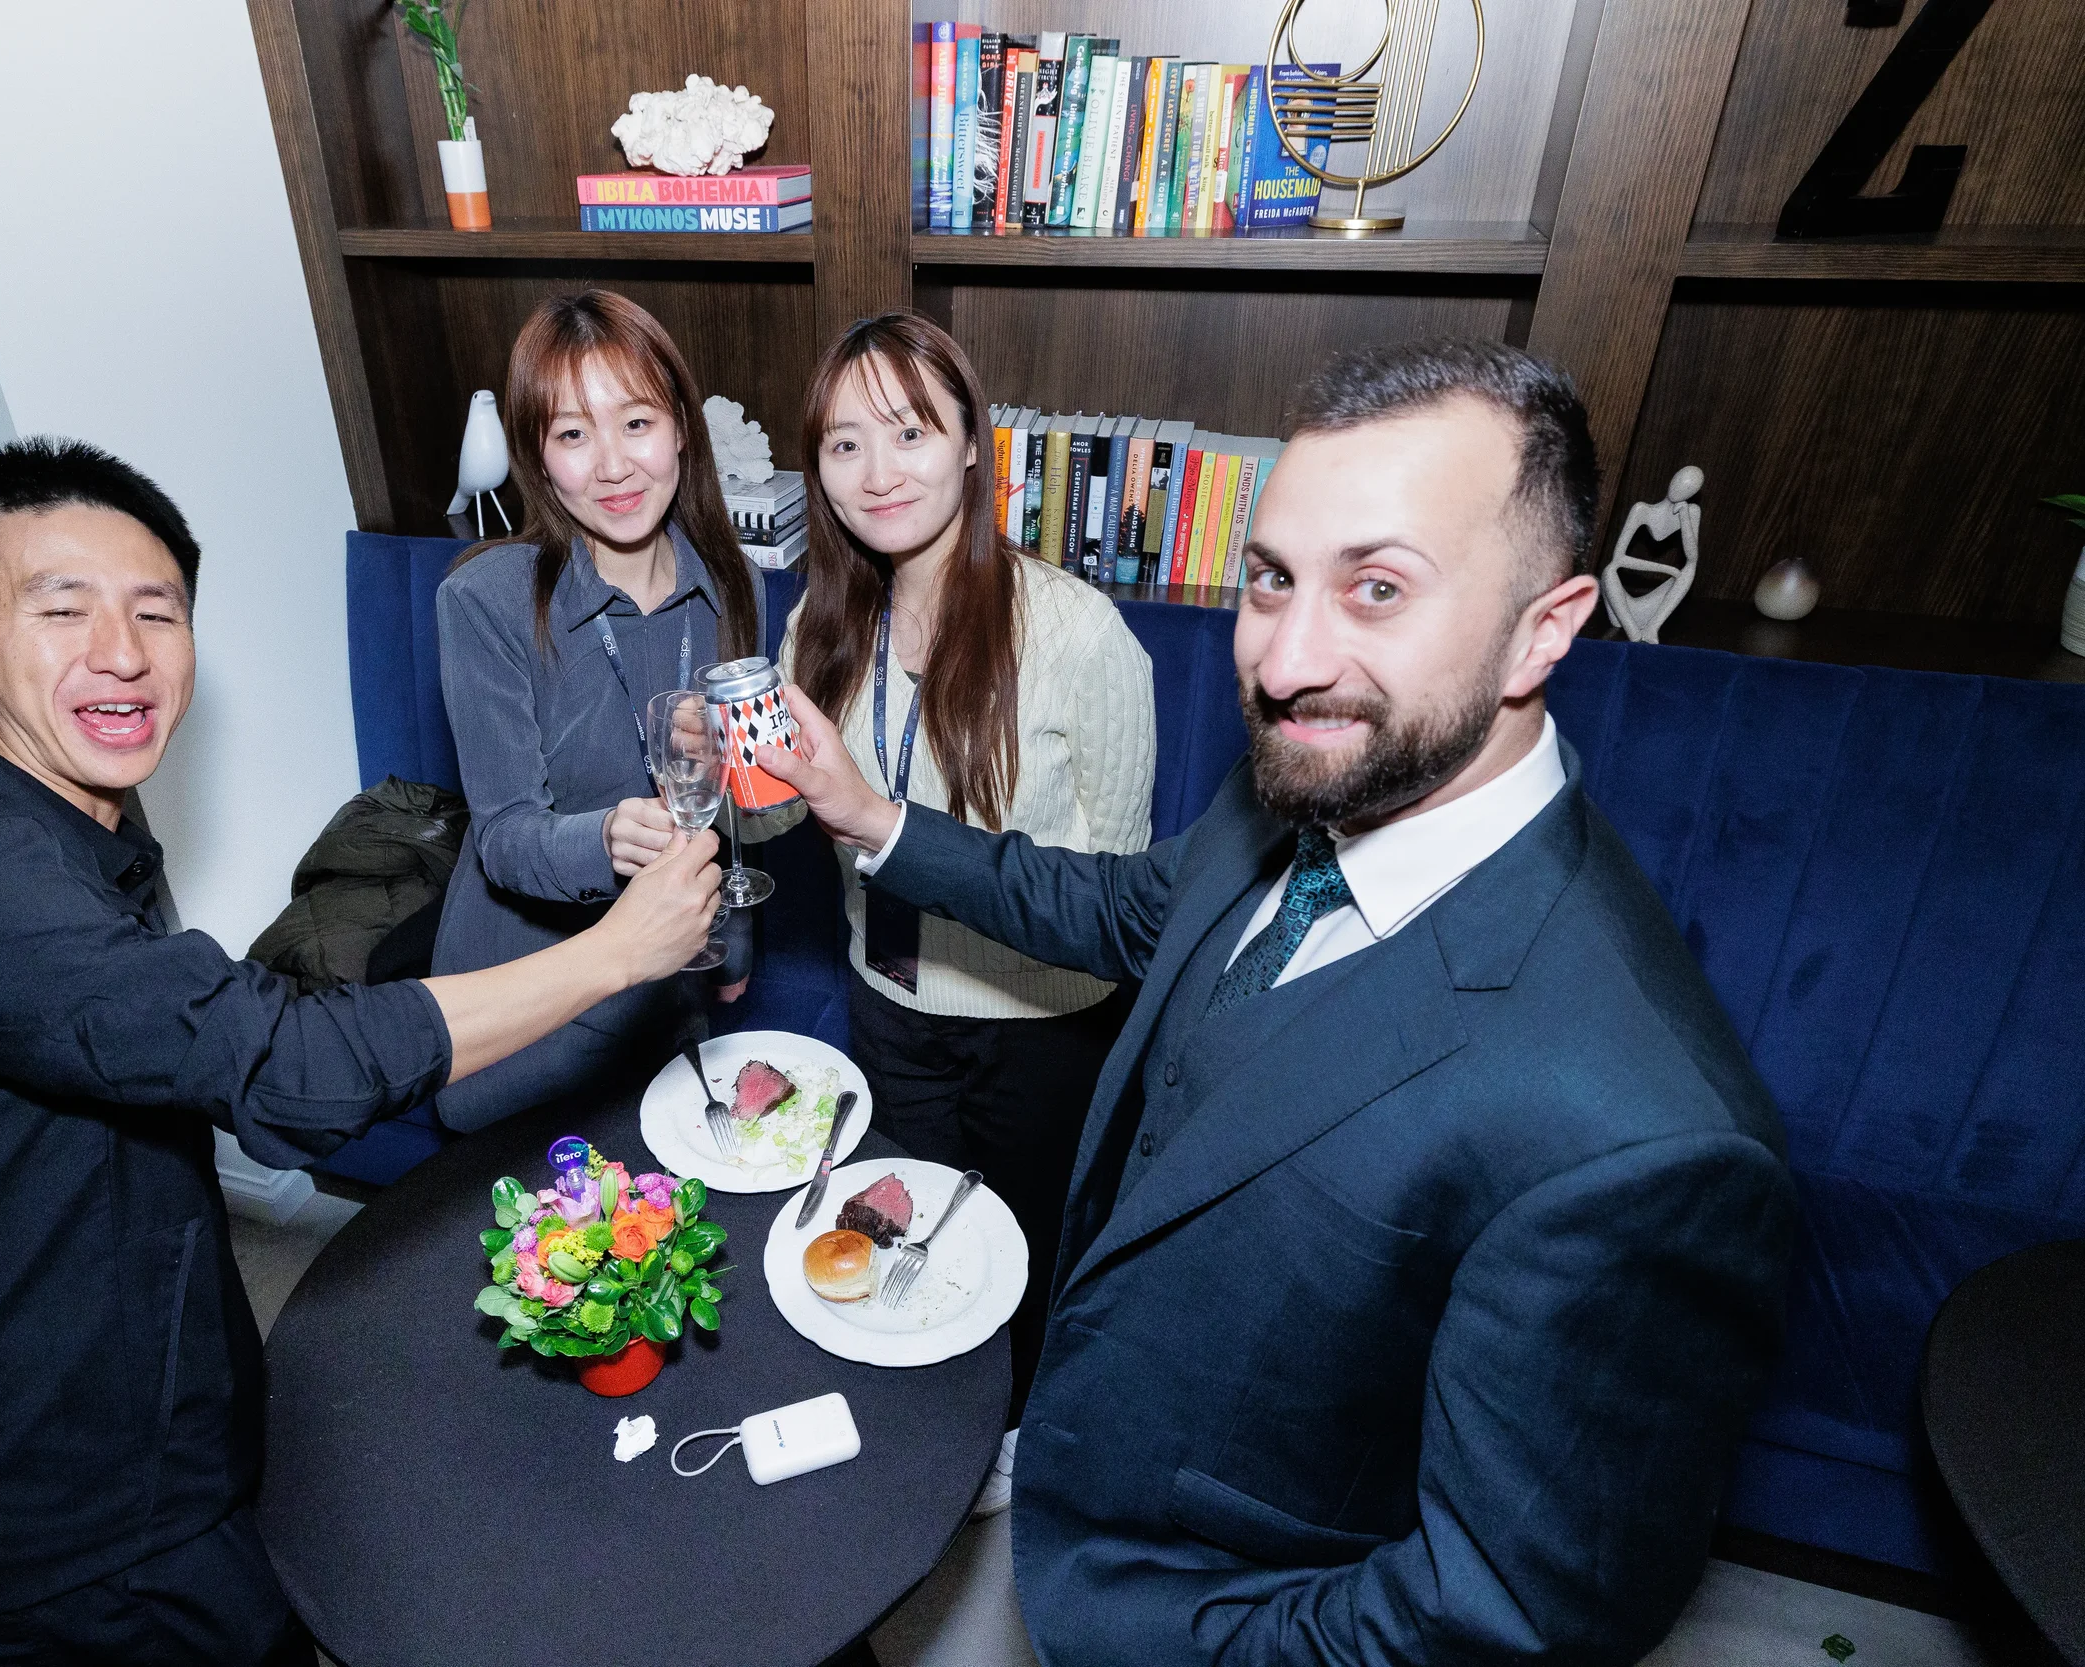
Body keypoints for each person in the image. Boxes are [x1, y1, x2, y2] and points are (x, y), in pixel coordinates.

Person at [761, 340, 1795, 1666]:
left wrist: (1154, 1630)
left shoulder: (1648, 1138)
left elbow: (1496, 1618)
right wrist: (872, 817)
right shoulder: (1292, 793)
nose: (1288, 658)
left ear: (1547, 624)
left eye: (1378, 587)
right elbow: (1124, 911)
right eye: (1271, 578)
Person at [0, 436, 721, 1666]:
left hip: (171, 1430)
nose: (121, 652)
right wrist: (613, 952)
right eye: (61, 609)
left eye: (155, 611)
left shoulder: (63, 829)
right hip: (72, 1540)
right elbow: (286, 1068)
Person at [778, 312, 1152, 1407]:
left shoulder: (1081, 636)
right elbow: (772, 832)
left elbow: (1113, 908)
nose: (877, 471)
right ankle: (927, 1428)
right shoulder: (822, 619)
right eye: (844, 444)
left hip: (1039, 1023)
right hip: (884, 991)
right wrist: (725, 778)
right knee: (905, 1246)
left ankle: (1010, 1427)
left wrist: (871, 810)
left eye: (909, 432)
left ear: (971, 443)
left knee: (1016, 1261)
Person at [431, 289, 767, 1132]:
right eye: (573, 434)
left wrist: (733, 941)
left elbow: (728, 801)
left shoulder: (736, 587)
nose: (613, 466)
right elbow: (505, 836)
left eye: (636, 423)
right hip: (523, 1014)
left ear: (682, 429)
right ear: (539, 458)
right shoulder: (486, 598)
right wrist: (606, 838)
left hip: (666, 997)